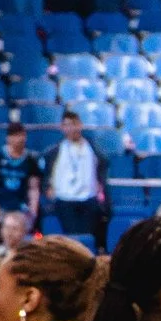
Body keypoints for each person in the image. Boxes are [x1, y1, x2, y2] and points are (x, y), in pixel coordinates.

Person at [44, 108, 108, 253]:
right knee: (72, 240)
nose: (70, 128)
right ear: (62, 128)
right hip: (65, 200)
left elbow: (102, 169)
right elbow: (48, 174)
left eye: (73, 124)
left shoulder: (93, 149)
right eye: (66, 125)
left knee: (88, 240)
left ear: (80, 125)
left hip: (88, 199)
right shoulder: (55, 151)